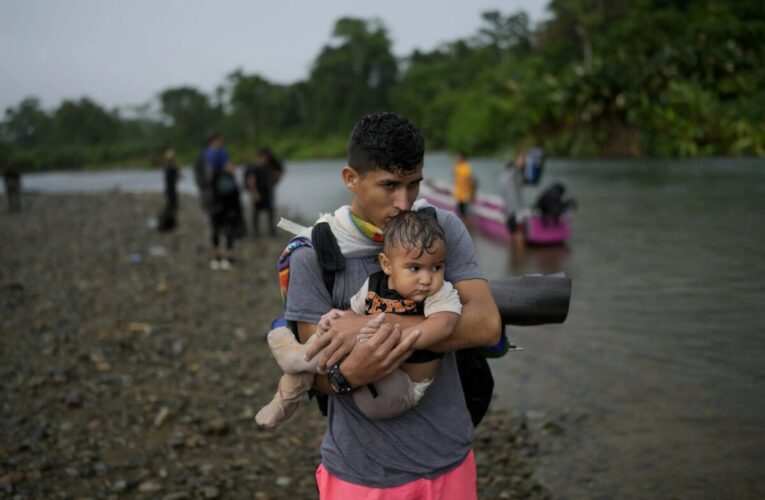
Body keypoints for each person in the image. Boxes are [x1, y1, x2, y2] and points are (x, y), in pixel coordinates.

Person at [276, 112, 501, 498]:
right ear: (351, 179)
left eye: (414, 185)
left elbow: (484, 324)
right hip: (361, 473)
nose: (404, 203)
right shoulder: (313, 255)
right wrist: (349, 375)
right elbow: (316, 369)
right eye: (389, 185)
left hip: (449, 458)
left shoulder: (441, 231)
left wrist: (365, 330)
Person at [256, 210, 462, 426]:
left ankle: (298, 356)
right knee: (331, 340)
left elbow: (443, 325)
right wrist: (336, 318)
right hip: (370, 364)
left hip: (402, 388)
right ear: (387, 265)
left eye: (437, 267)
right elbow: (353, 317)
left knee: (342, 351)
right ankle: (284, 398)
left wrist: (390, 337)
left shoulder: (440, 293)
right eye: (415, 268)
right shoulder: (374, 284)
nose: (427, 279)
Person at [209, 162, 243, 270]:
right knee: (229, 234)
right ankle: (228, 258)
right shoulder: (231, 181)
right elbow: (236, 200)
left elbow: (211, 192)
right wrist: (239, 215)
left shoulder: (215, 178)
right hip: (228, 211)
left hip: (216, 210)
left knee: (216, 233)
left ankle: (217, 257)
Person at [245, 147, 284, 237]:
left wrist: (274, 180)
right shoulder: (254, 167)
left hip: (267, 192)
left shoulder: (269, 165)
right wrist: (255, 193)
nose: (265, 159)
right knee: (256, 213)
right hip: (258, 192)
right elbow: (251, 181)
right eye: (264, 157)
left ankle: (271, 231)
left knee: (270, 212)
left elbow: (280, 171)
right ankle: (255, 232)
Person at [501, 150, 526, 248]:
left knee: (514, 232)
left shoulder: (506, 177)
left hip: (511, 210)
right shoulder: (512, 174)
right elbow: (518, 164)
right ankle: (518, 257)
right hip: (513, 210)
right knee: (516, 232)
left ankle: (515, 257)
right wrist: (522, 156)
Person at [453, 152, 474, 219]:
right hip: (459, 193)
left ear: (462, 158)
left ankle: (467, 223)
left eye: (458, 157)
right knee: (460, 210)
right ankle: (462, 220)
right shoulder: (457, 166)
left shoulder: (466, 167)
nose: (456, 158)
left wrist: (472, 194)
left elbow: (470, 180)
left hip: (465, 193)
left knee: (465, 212)